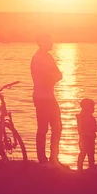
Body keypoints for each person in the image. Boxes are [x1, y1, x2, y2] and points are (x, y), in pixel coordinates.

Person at [31, 33, 63, 166]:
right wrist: (52, 78)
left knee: (55, 127)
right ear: (42, 43)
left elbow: (58, 75)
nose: (52, 43)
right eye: (49, 41)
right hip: (42, 97)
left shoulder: (47, 57)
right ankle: (44, 159)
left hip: (48, 96)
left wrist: (52, 78)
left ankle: (53, 157)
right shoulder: (39, 58)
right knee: (46, 128)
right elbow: (46, 77)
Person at [76, 98, 97, 170]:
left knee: (90, 153)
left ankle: (91, 167)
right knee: (84, 152)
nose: (93, 108)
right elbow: (80, 128)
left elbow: (96, 128)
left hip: (90, 138)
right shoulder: (82, 117)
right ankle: (80, 168)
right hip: (84, 138)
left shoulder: (90, 117)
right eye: (92, 106)